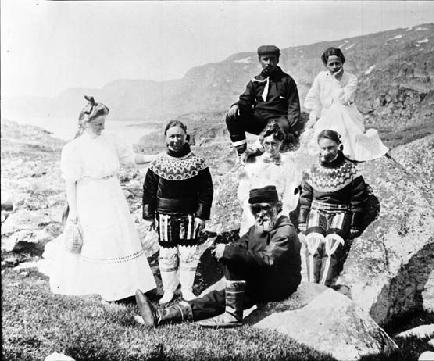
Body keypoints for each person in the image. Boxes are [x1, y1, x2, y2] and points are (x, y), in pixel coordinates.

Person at [39, 96, 156, 302]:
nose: (102, 127)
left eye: (104, 123)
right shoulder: (73, 149)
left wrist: (155, 157)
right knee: (100, 241)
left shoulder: (111, 140)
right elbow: (70, 183)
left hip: (113, 196)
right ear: (85, 123)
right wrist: (74, 213)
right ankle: (106, 288)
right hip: (91, 199)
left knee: (120, 238)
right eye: (98, 124)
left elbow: (130, 158)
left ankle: (131, 286)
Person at [135, 185, 302, 328]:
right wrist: (223, 250)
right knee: (220, 295)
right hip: (263, 279)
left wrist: (229, 252)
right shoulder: (258, 227)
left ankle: (232, 317)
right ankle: (161, 315)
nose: (261, 213)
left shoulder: (284, 231)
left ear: (278, 207)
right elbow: (240, 246)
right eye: (257, 209)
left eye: (266, 208)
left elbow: (268, 260)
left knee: (232, 264)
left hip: (280, 284)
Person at [142, 120, 214, 304]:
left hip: (190, 215)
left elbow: (206, 191)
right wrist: (149, 217)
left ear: (186, 137)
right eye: (171, 136)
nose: (175, 140)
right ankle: (168, 291)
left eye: (179, 136)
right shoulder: (157, 163)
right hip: (164, 216)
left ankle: (187, 290)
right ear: (165, 138)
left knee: (188, 253)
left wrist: (201, 215)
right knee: (167, 254)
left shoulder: (197, 163)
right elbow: (149, 192)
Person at [297, 130, 371, 287]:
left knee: (332, 246)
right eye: (323, 148)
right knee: (313, 244)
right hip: (317, 210)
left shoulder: (350, 170)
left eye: (330, 147)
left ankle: (323, 288)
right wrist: (302, 219)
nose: (326, 152)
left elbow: (357, 199)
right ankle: (311, 287)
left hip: (340, 211)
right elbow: (305, 196)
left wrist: (354, 224)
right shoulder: (312, 168)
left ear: (339, 146)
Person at [301, 47, 388, 161]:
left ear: (342, 62)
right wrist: (314, 116)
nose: (334, 67)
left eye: (337, 63)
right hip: (326, 115)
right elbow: (312, 98)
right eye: (331, 64)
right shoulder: (321, 77)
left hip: (347, 114)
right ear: (326, 65)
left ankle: (345, 152)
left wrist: (337, 81)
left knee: (340, 111)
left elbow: (344, 100)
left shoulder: (351, 78)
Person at [226, 45, 302, 157]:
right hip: (259, 121)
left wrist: (291, 129)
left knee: (273, 127)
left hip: (278, 120)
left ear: (278, 60)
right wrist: (237, 106)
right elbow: (246, 100)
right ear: (260, 60)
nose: (269, 62)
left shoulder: (287, 81)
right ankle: (241, 153)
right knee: (233, 115)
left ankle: (262, 148)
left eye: (272, 59)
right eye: (265, 59)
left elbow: (293, 106)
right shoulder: (255, 81)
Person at [237, 121, 301, 236]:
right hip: (254, 213)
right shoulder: (252, 164)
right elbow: (243, 193)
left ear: (281, 143)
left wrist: (281, 213)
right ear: (262, 143)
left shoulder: (288, 164)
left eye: (274, 144)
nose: (270, 148)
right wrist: (252, 214)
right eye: (267, 143)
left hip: (279, 213)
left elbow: (292, 193)